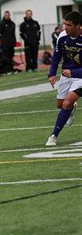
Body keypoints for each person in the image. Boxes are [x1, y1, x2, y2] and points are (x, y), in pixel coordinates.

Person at [45, 11, 81, 147]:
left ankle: (53, 136)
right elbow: (56, 56)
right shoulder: (62, 36)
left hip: (80, 77)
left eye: (69, 25)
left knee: (66, 103)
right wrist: (52, 73)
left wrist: (74, 72)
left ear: (78, 26)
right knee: (60, 105)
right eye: (65, 24)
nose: (65, 27)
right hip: (66, 74)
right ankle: (71, 109)